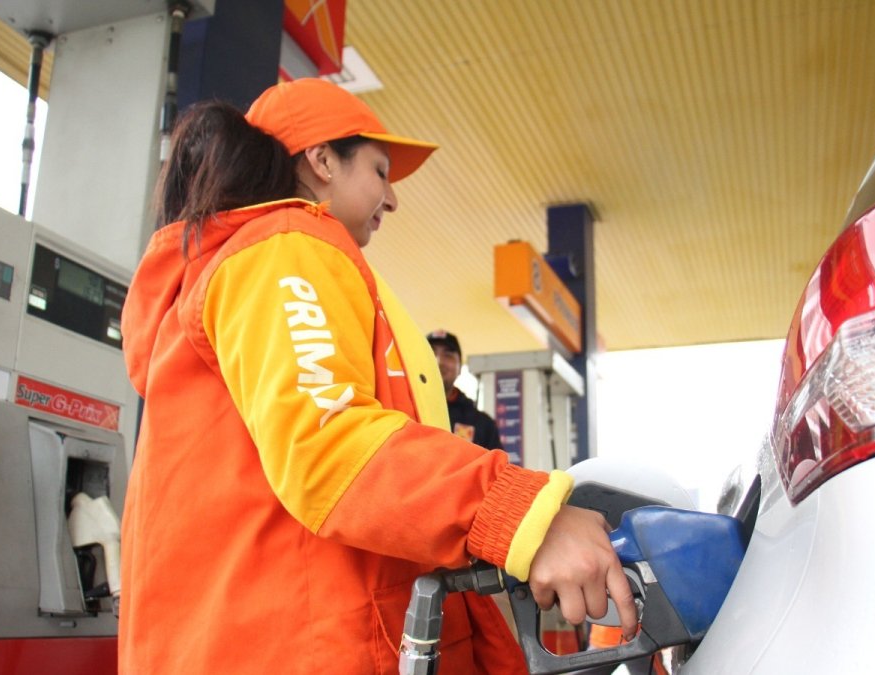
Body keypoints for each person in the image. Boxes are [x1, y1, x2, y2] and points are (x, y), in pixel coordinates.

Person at [118, 78, 636, 674]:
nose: (391, 199)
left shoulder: (256, 260)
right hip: (300, 647)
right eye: (380, 171)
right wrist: (525, 517)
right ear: (320, 161)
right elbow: (330, 443)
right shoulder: (284, 249)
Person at [426, 329, 503, 450]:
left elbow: (496, 468)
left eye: (448, 355)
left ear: (460, 367)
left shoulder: (482, 424)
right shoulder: (401, 409)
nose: (439, 361)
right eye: (430, 353)